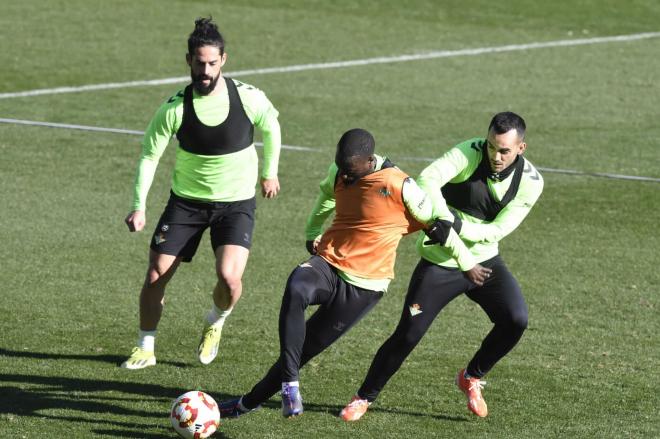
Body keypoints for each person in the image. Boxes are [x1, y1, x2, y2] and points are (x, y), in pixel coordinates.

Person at [218, 128, 490, 418]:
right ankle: (290, 385)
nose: (345, 176)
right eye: (342, 167)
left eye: (350, 170)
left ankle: (245, 404)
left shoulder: (401, 185)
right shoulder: (340, 171)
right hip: (330, 262)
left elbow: (438, 227)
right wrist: (312, 231)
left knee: (306, 348)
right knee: (297, 286)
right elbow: (326, 196)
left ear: (369, 160)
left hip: (365, 286)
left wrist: (467, 264)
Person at [339, 111, 544, 421]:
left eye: (504, 150)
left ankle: (471, 376)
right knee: (408, 335)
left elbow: (497, 231)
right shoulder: (470, 151)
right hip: (440, 262)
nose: (495, 155)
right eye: (491, 146)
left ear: (521, 149)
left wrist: (453, 225)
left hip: (484, 261)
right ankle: (363, 398)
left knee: (516, 319)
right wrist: (446, 224)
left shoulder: (530, 183)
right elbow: (427, 180)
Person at [120, 17, 281, 369]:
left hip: (235, 203)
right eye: (199, 63)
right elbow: (150, 155)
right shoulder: (174, 108)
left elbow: (271, 125)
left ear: (223, 59)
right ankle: (146, 347)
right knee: (155, 276)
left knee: (229, 278)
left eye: (211, 63)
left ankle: (216, 320)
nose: (205, 71)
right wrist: (138, 206)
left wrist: (269, 172)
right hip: (186, 204)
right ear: (188, 61)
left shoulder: (248, 98)